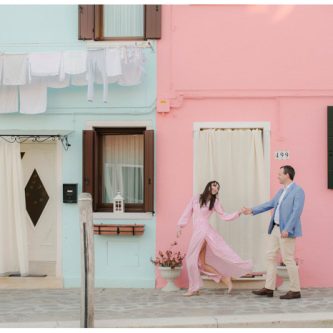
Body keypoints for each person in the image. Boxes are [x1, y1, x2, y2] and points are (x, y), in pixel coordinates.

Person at [176, 181, 252, 296]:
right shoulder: (196, 198)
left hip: (204, 232)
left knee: (191, 259)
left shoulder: (215, 202)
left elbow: (224, 216)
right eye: (214, 185)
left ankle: (193, 288)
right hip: (198, 232)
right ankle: (225, 279)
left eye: (218, 187)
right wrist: (180, 226)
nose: (216, 188)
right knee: (202, 263)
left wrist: (238, 212)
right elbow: (187, 212)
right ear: (209, 186)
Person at [243, 165, 305, 299]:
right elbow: (270, 204)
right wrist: (252, 210)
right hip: (275, 229)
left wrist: (287, 228)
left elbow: (296, 212)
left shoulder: (298, 191)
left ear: (287, 175)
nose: (278, 176)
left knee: (288, 259)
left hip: (286, 231)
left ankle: (295, 290)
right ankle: (269, 288)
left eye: (279, 174)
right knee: (270, 257)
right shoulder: (280, 191)